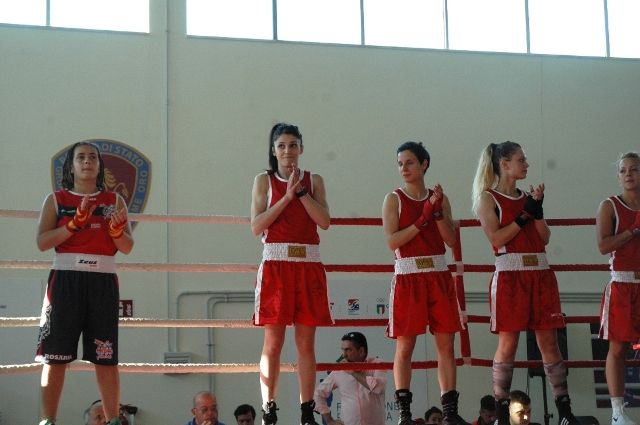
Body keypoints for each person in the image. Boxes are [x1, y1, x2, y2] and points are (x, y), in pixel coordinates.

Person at [471, 141, 580, 425]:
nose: (527, 164)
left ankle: (565, 411)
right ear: (504, 164)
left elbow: (544, 239)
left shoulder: (528, 197)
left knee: (550, 342)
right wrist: (525, 213)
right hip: (510, 275)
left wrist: (537, 211)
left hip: (540, 274)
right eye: (521, 159)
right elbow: (496, 239)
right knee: (508, 343)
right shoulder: (487, 199)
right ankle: (501, 414)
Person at [36, 141, 133, 425]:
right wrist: (72, 225)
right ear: (72, 165)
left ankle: (114, 420)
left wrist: (115, 231)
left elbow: (126, 247)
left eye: (93, 157)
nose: (87, 161)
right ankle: (48, 420)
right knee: (55, 356)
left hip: (102, 280)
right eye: (81, 157)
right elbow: (42, 242)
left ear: (100, 165)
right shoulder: (56, 199)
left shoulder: (115, 201)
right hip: (65, 280)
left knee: (106, 356)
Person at [250, 123, 333, 425]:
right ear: (273, 151)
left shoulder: (315, 180)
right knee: (273, 343)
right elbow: (256, 226)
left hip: (308, 265)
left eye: (293, 145)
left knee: (306, 345)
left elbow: (324, 221)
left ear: (301, 148)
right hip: (276, 266)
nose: (288, 151)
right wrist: (285, 198)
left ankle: (306, 410)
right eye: (282, 145)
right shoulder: (264, 181)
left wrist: (299, 193)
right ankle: (269, 409)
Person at [382, 141, 468, 425]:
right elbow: (392, 241)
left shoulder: (439, 198)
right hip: (408, 276)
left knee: (446, 345)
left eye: (408, 162)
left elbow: (451, 240)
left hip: (438, 274)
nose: (403, 169)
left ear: (424, 164)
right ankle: (405, 414)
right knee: (405, 347)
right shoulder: (393, 199)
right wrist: (422, 218)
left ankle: (450, 413)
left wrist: (437, 211)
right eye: (399, 164)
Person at [596, 152, 640, 425]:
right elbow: (603, 247)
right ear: (618, 177)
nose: (628, 175)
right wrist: (633, 230)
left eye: (633, 169)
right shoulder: (610, 205)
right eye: (623, 171)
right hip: (623, 283)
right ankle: (617, 413)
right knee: (618, 348)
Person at [314, 332, 387, 425]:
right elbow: (318, 394)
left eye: (348, 350)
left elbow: (379, 388)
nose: (344, 355)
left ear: (361, 351)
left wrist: (352, 372)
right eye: (343, 350)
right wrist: (329, 421)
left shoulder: (377, 364)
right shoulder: (339, 370)